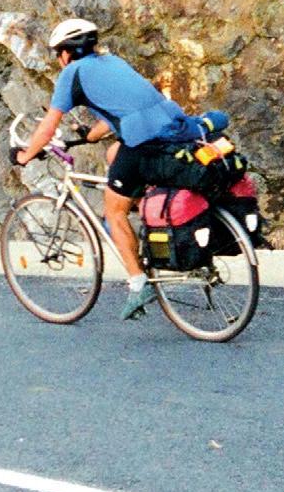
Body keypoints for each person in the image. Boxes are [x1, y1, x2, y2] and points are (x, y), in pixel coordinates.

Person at [10, 18, 192, 320]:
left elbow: (48, 126)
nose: (59, 59)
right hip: (174, 129)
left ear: (66, 52)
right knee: (112, 153)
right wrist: (88, 136)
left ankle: (138, 283)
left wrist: (26, 155)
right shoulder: (113, 62)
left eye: (58, 53)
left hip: (142, 141)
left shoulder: (71, 74)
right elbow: (115, 115)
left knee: (113, 212)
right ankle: (147, 212)